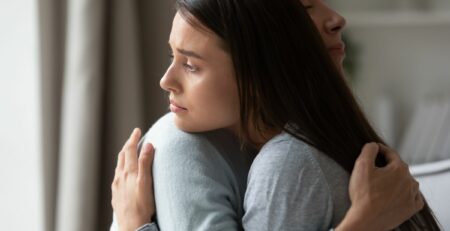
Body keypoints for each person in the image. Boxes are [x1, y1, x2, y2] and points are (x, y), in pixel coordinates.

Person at [111, 0, 440, 230]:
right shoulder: (305, 145)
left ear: (258, 66)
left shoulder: (289, 163)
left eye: (192, 65)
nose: (165, 80)